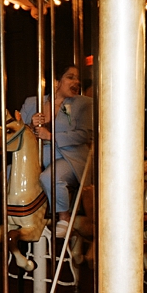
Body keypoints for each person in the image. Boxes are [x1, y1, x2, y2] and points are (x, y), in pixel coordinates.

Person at [21, 61, 94, 214]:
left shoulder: (83, 104)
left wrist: (51, 136)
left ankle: (64, 218)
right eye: (71, 77)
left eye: (77, 78)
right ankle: (27, 215)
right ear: (56, 81)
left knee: (51, 177)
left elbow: (84, 135)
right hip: (40, 154)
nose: (77, 82)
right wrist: (31, 125)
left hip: (68, 156)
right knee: (7, 173)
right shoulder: (32, 103)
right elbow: (18, 132)